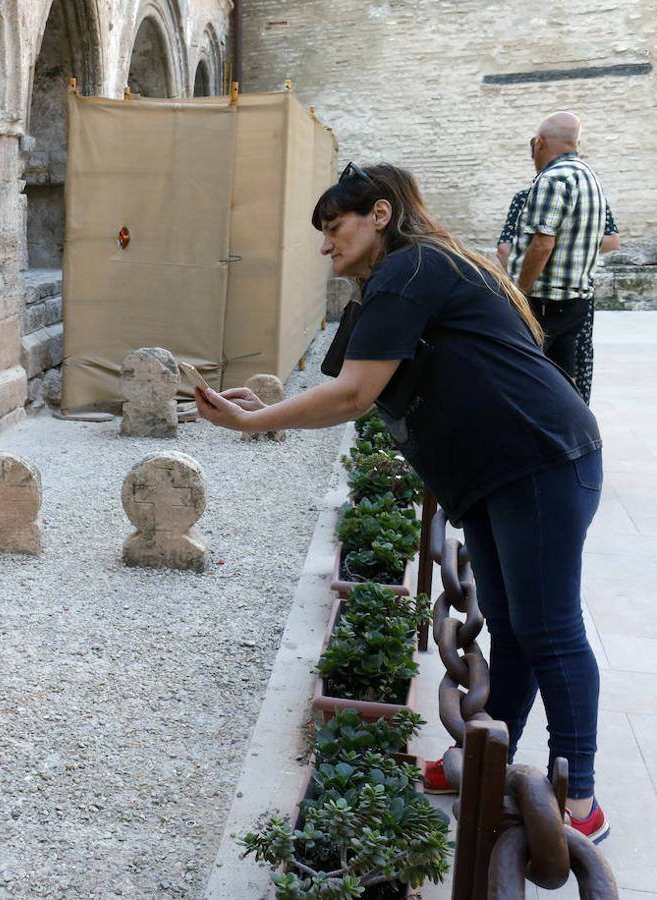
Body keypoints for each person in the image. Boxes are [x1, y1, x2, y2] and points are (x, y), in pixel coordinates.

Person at [194, 162, 609, 842]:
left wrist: (252, 423)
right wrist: (271, 402)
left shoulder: (410, 270)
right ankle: (485, 763)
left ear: (379, 215)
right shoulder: (399, 279)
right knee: (515, 627)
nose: (326, 245)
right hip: (496, 471)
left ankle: (580, 796)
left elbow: (355, 394)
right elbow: (357, 391)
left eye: (335, 227)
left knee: (549, 628)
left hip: (537, 460)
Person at [504, 112, 610, 401]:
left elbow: (542, 244)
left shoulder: (553, 178)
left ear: (539, 143)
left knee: (524, 380)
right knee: (565, 380)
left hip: (543, 302)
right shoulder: (589, 176)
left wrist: (519, 292)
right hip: (574, 301)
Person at [497, 180, 620, 406]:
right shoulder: (525, 197)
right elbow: (504, 247)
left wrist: (562, 248)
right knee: (548, 359)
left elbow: (612, 240)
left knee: (550, 359)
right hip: (545, 293)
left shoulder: (592, 200)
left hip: (564, 292)